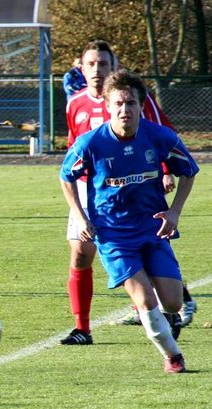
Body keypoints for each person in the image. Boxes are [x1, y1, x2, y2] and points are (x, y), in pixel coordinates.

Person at [60, 69, 198, 373]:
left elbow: (188, 171)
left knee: (173, 303)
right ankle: (173, 356)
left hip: (153, 228)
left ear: (141, 105)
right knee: (144, 299)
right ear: (108, 106)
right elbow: (66, 176)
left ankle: (169, 321)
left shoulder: (160, 137)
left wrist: (174, 212)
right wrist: (81, 217)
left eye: (131, 103)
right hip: (113, 235)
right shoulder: (90, 143)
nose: (125, 109)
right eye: (119, 103)